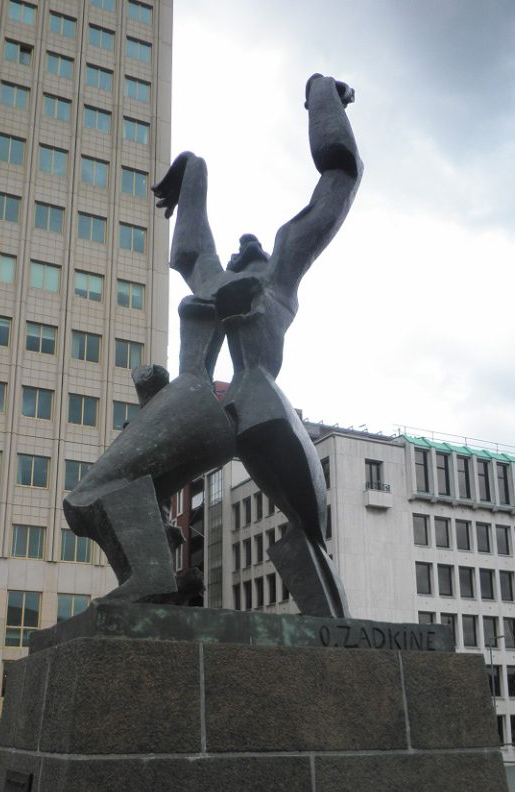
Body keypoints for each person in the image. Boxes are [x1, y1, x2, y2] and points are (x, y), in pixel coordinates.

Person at [64, 74, 362, 616]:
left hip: (228, 403)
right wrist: (194, 172)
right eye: (239, 248)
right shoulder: (246, 282)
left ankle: (155, 575)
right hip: (243, 407)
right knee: (306, 530)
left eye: (253, 246)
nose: (248, 242)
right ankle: (160, 574)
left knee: (92, 493)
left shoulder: (267, 279)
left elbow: (339, 181)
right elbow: (194, 245)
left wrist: (321, 96)